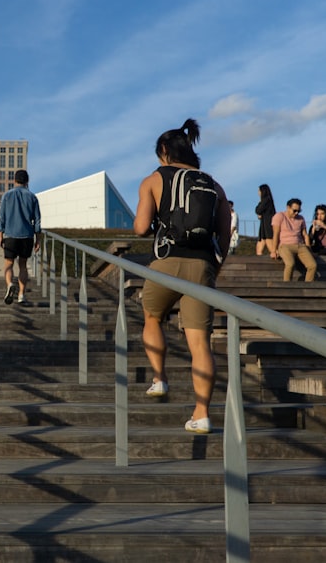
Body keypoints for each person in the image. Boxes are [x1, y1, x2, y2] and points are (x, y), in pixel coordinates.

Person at [133, 118, 232, 435]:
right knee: (200, 344)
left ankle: (159, 379)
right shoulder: (213, 184)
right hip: (202, 265)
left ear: (163, 151)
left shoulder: (153, 179)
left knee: (152, 316)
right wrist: (215, 266)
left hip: (166, 261)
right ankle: (201, 413)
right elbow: (225, 233)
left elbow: (139, 227)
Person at [0, 169, 41, 305]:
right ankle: (21, 295)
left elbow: (1, 218)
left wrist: (0, 235)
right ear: (27, 181)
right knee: (23, 265)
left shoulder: (6, 196)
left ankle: (10, 284)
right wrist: (38, 239)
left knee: (8, 264)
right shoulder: (32, 197)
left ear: (14, 180)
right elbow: (37, 221)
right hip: (26, 236)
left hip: (10, 235)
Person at [270, 198, 318, 282]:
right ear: (288, 207)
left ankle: (308, 286)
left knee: (312, 265)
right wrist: (274, 250)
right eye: (294, 210)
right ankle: (287, 286)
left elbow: (305, 235)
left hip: (300, 245)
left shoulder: (301, 218)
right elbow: (276, 233)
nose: (296, 213)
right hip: (285, 245)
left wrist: (309, 250)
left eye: (299, 211)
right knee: (290, 264)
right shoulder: (279, 216)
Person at [254, 184, 275, 256]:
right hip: (264, 224)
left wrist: (260, 202)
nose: (258, 193)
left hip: (267, 225)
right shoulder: (268, 200)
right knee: (260, 244)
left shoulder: (266, 200)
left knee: (269, 243)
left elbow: (258, 210)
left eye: (259, 191)